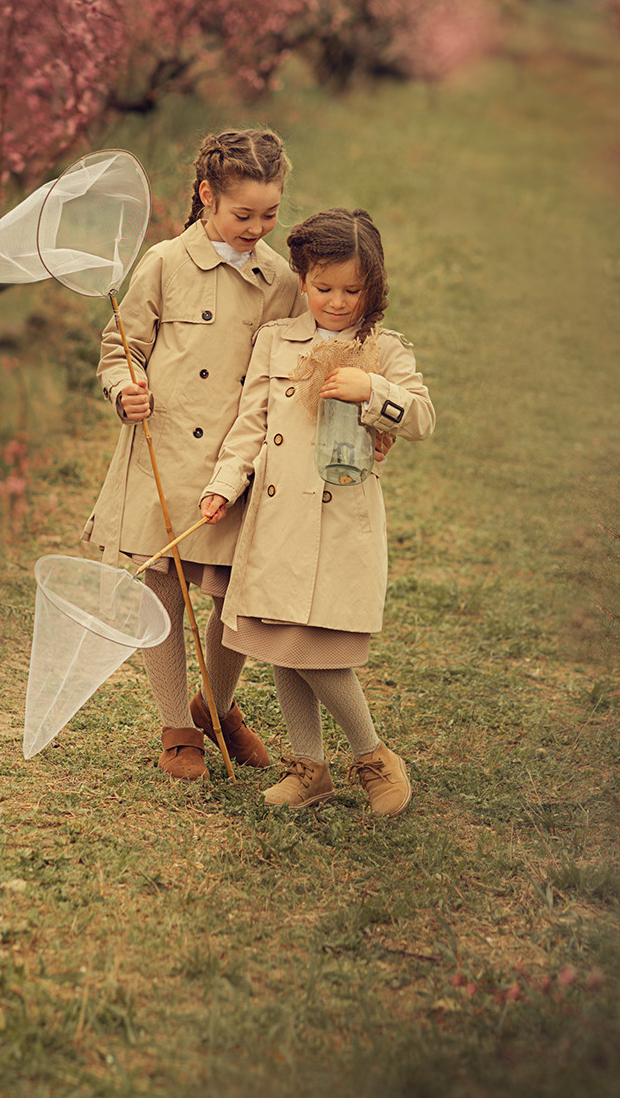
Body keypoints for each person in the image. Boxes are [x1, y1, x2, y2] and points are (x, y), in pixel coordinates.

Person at [83, 130, 303, 780]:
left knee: (235, 594)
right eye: (243, 214)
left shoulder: (280, 282)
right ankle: (176, 721)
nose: (256, 227)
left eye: (270, 214)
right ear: (207, 195)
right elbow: (118, 349)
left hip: (239, 459)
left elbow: (284, 374)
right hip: (167, 449)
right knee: (163, 591)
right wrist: (125, 387)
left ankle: (221, 704)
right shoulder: (162, 264)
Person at [199, 208, 433, 816]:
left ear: (373, 288)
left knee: (319, 648)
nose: (335, 302)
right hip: (276, 520)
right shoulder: (277, 340)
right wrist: (226, 483)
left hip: (338, 522)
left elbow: (424, 418)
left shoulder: (383, 349)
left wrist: (373, 392)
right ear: (302, 279)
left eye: (352, 291)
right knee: (280, 640)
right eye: (323, 287)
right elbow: (252, 422)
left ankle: (373, 755)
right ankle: (310, 768)